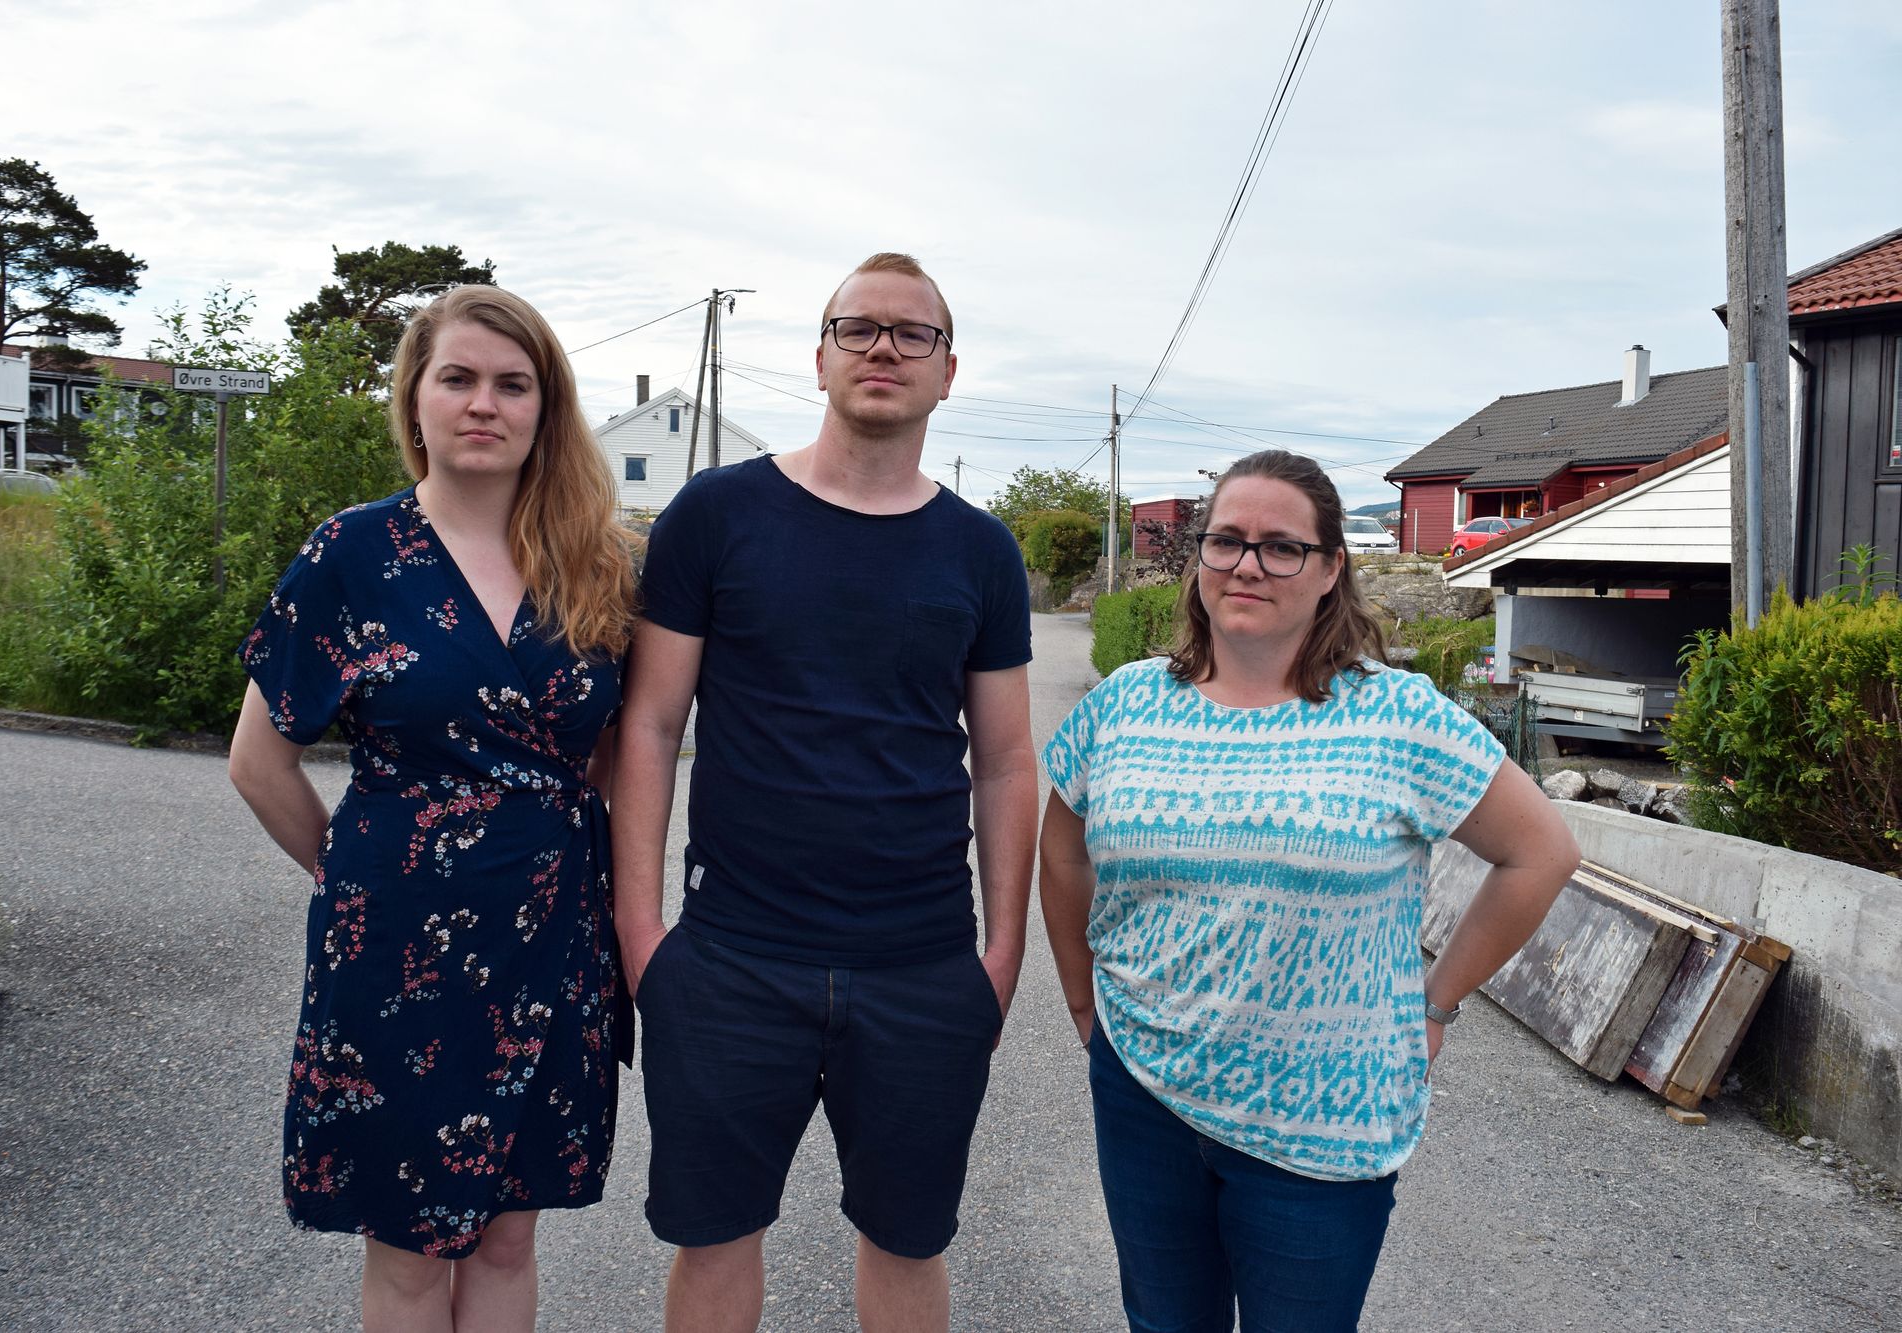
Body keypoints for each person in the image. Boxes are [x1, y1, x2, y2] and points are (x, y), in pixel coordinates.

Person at [1037, 449, 1579, 1333]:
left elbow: (1543, 853)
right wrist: (1078, 989)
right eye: (1226, 541)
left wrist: (1434, 1006)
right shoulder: (1125, 704)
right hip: (1142, 1088)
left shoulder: (1398, 715)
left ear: (1330, 570)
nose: (1247, 564)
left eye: (1281, 547)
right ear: (1199, 560)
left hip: (1327, 1118)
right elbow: (1062, 849)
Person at [612, 252, 1036, 1333]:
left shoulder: (980, 553)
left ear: (948, 372)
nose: (884, 347)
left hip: (922, 967)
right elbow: (653, 723)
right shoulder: (714, 517)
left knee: (906, 1243)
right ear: (818, 358)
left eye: (912, 333)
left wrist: (999, 954)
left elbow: (1001, 761)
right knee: (713, 1244)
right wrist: (642, 931)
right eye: (858, 328)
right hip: (729, 961)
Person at [228, 285, 637, 1330]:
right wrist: (356, 873)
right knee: (410, 1245)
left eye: (513, 384)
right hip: (397, 947)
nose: (482, 404)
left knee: (507, 1235)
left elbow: (621, 757)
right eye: (457, 378)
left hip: (554, 938)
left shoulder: (593, 562)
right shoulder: (352, 556)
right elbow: (257, 760)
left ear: (546, 409)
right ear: (414, 401)